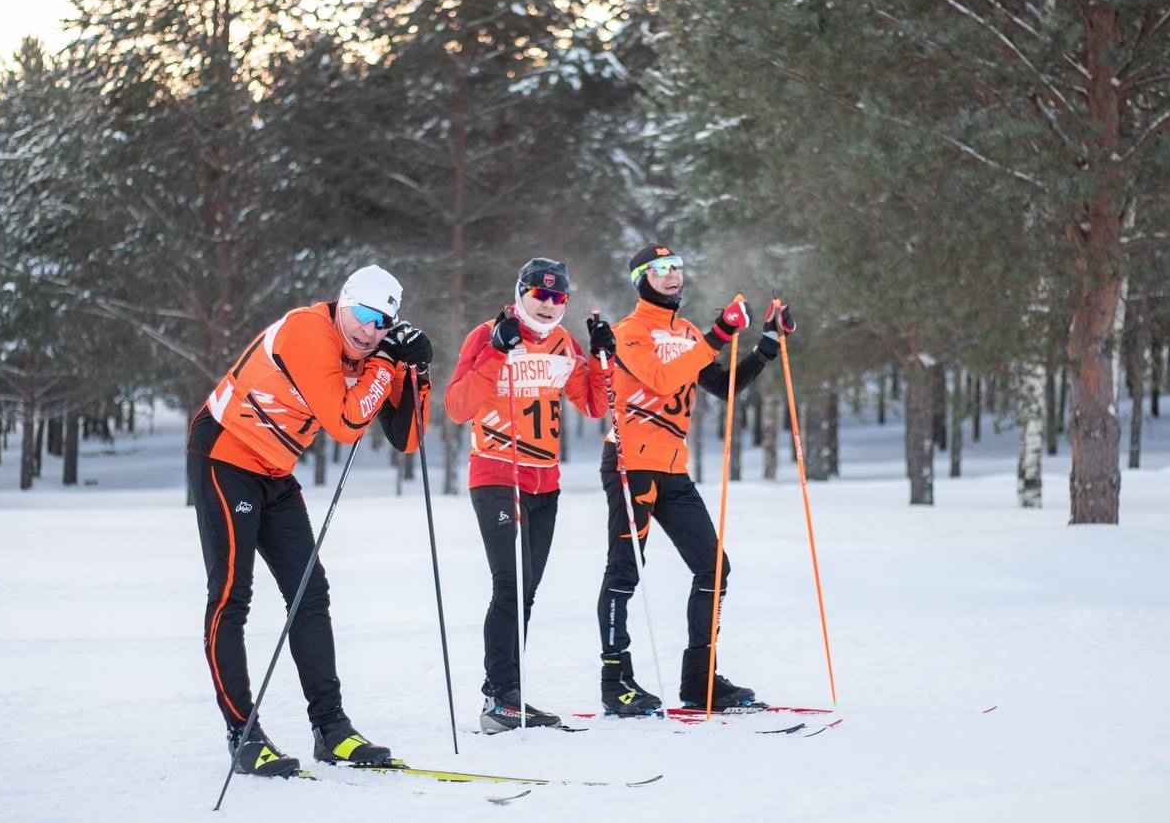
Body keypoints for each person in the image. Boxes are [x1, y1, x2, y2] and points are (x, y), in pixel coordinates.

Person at [187, 264, 433, 776]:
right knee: (232, 594)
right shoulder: (306, 329)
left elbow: (407, 437)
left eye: (383, 323)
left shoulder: (371, 354)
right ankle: (243, 734)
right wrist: (386, 363)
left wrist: (417, 374)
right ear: (343, 303)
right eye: (363, 315)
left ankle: (332, 729)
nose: (369, 330)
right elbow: (344, 422)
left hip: (274, 470)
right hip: (225, 454)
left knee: (309, 592)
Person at [596, 244, 796, 716]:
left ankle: (700, 682)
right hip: (630, 462)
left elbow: (723, 387)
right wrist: (722, 330)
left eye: (677, 268)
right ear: (642, 279)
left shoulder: (687, 332)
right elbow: (661, 379)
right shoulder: (630, 331)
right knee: (625, 570)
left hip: (672, 468)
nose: (672, 276)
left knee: (714, 567)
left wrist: (767, 343)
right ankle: (615, 682)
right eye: (661, 269)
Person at [444, 257, 612, 733]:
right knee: (511, 583)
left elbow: (595, 405)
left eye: (558, 297)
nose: (548, 304)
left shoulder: (565, 343)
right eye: (539, 294)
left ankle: (510, 695)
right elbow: (457, 408)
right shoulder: (487, 334)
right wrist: (496, 352)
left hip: (545, 481)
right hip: (498, 474)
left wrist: (603, 358)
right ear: (520, 292)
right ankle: (499, 699)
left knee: (527, 591)